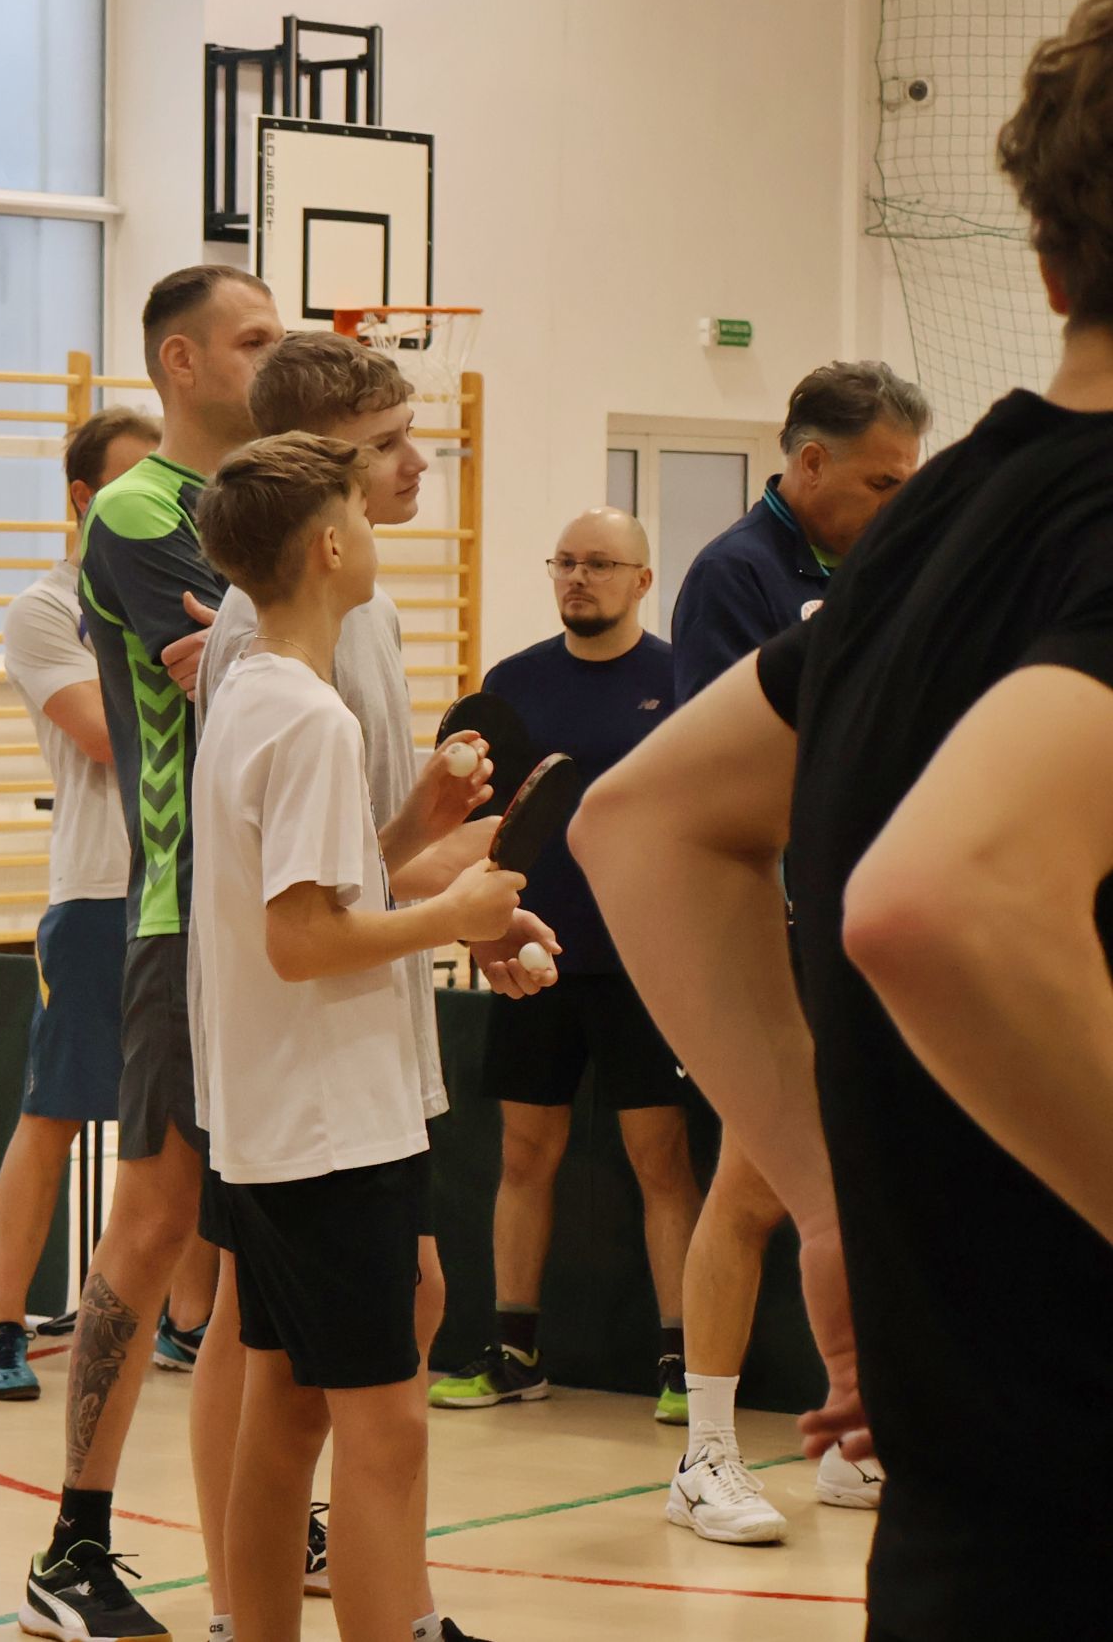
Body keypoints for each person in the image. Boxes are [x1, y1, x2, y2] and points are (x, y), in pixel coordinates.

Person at [574, 0, 1113, 1636]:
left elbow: (641, 824)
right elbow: (940, 899)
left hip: (969, 1531)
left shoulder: (931, 528)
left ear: (1045, 267)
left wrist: (834, 1202)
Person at [188, 332, 558, 1628]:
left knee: (287, 1411)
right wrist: (453, 911)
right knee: (379, 1426)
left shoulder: (276, 686)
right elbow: (300, 936)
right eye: (374, 464)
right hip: (325, 1115)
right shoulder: (295, 703)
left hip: (299, 1109)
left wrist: (415, 830)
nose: (407, 473)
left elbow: (316, 880)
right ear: (328, 532)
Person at [18, 264, 277, 1642]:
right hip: (180, 913)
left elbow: (278, 662)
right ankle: (73, 1543)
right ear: (180, 360)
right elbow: (262, 670)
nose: (274, 357)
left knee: (265, 1236)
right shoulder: (141, 509)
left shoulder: (275, 501)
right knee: (157, 1220)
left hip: (284, 911)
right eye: (252, 338)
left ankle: (261, 1512)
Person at [659, 358, 927, 1542]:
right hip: (758, 923)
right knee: (752, 1182)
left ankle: (849, 1440)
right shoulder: (736, 574)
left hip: (848, 913)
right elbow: (729, 759)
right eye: (881, 480)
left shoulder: (873, 563)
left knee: (851, 1176)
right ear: (807, 462)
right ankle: (703, 1452)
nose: (896, 500)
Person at [426, 510, 701, 1421]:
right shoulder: (513, 684)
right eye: (567, 562)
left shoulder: (681, 679)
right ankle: (514, 1352)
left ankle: (683, 1360)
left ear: (642, 580)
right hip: (532, 953)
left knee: (660, 1158)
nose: (579, 577)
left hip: (644, 958)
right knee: (524, 1153)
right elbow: (481, 824)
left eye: (601, 563)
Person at [0, 406, 158, 1402]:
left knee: (185, 1126)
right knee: (53, 1112)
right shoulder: (46, 609)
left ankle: (178, 1319)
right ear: (84, 498)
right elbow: (103, 734)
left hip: (187, 889)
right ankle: (3, 1323)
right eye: (132, 484)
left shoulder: (194, 594)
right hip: (96, 891)